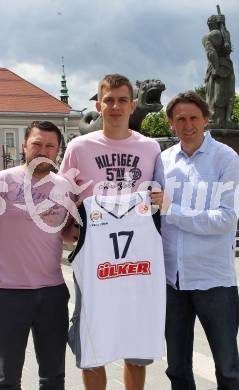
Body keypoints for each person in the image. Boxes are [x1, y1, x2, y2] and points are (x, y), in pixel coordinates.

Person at [59, 73, 165, 390]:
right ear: (98, 105)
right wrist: (67, 230)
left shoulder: (150, 148)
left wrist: (164, 201)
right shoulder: (79, 146)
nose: (115, 106)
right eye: (109, 100)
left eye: (122, 100)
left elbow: (163, 197)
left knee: (135, 343)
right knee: (93, 341)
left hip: (138, 255)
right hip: (95, 253)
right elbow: (63, 195)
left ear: (132, 105)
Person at [154, 90, 239, 389]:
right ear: (171, 124)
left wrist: (171, 210)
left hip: (213, 279)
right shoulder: (162, 161)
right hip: (171, 280)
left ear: (206, 119)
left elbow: (226, 219)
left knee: (228, 370)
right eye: (180, 119)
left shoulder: (226, 158)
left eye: (193, 118)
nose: (187, 125)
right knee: (177, 369)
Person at [0, 121, 71, 389]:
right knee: (7, 379)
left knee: (53, 377)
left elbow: (65, 235)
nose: (43, 150)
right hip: (8, 294)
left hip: (52, 293)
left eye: (50, 146)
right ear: (24, 146)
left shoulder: (64, 186)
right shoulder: (4, 181)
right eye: (37, 144)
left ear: (57, 150)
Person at [202, 13, 235, 127]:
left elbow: (211, 53)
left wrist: (216, 68)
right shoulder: (224, 34)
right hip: (227, 67)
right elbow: (226, 49)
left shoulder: (208, 36)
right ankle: (226, 119)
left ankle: (217, 119)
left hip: (217, 67)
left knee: (215, 96)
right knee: (226, 95)